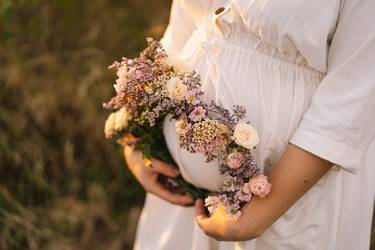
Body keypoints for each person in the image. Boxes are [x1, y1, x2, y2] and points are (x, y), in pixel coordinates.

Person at [124, 0, 375, 249]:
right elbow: (183, 28)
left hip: (290, 201)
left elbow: (355, 92)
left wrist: (258, 216)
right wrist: (138, 138)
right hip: (182, 198)